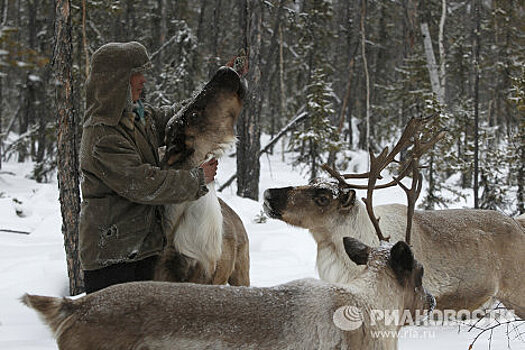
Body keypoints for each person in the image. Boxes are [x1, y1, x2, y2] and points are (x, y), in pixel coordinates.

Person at [79, 41, 218, 294]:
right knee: (116, 333)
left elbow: (176, 119)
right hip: (113, 260)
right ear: (116, 80)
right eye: (135, 74)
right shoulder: (103, 134)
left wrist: (216, 90)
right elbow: (143, 184)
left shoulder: (136, 116)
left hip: (144, 252)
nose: (143, 79)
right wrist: (197, 179)